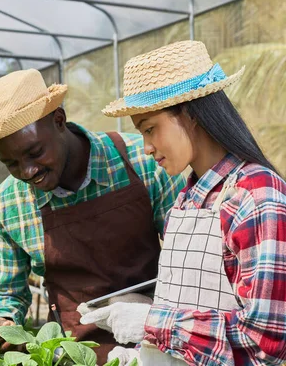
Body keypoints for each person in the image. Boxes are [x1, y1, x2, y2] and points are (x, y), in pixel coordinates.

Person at [80, 40, 286, 365]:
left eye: (150, 129)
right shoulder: (187, 198)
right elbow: (199, 300)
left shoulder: (255, 195)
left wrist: (151, 324)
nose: (146, 147)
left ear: (191, 114)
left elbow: (265, 339)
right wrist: (142, 312)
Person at [0, 68, 185, 360]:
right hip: (76, 353)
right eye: (11, 164)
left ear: (59, 121)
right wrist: (1, 321)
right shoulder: (5, 207)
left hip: (156, 343)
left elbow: (189, 259)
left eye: (34, 152)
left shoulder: (144, 162)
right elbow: (6, 293)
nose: (27, 171)